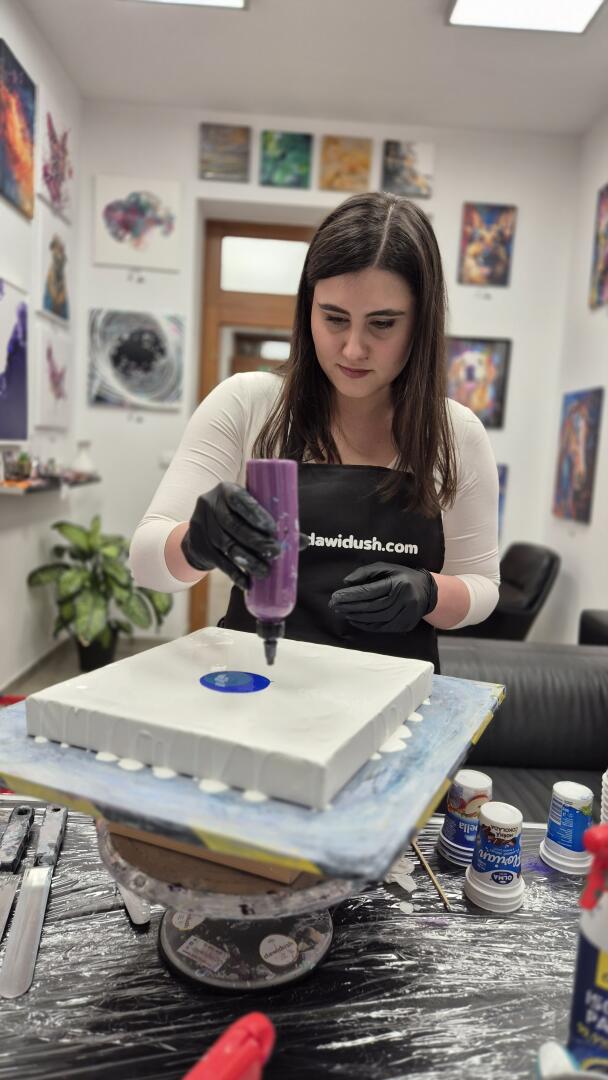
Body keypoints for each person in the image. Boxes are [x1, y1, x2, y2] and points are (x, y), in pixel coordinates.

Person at [130, 192, 499, 669]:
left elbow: (482, 586)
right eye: (334, 318)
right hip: (254, 682)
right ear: (308, 308)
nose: (353, 348)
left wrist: (429, 592)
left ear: (421, 322)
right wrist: (194, 542)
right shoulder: (247, 403)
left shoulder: (455, 434)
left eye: (382, 324)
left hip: (389, 693)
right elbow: (147, 563)